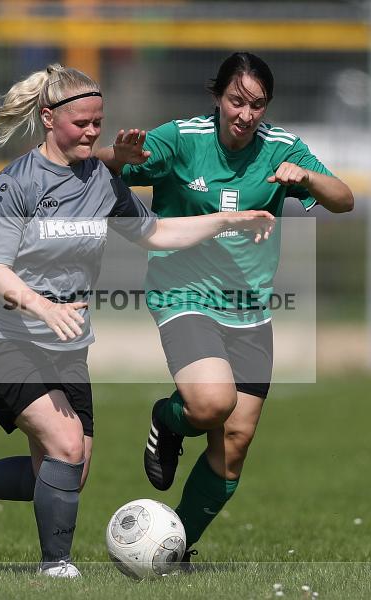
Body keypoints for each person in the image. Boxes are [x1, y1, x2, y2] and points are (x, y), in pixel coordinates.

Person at [0, 63, 275, 578]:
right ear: (48, 118)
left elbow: (154, 233)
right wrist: (44, 307)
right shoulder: (13, 185)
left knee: (70, 469)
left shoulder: (101, 182)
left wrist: (225, 219)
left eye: (98, 123)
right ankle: (56, 567)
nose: (92, 133)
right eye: (81, 123)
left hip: (64, 344)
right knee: (65, 448)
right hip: (2, 338)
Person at [96, 51, 353, 564]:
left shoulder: (282, 147)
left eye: (257, 105)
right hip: (183, 294)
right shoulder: (183, 137)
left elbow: (343, 197)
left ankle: (173, 551)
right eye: (237, 100)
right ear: (218, 97)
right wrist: (121, 156)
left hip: (250, 309)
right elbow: (107, 161)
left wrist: (306, 179)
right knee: (213, 404)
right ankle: (168, 421)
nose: (245, 114)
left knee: (234, 442)